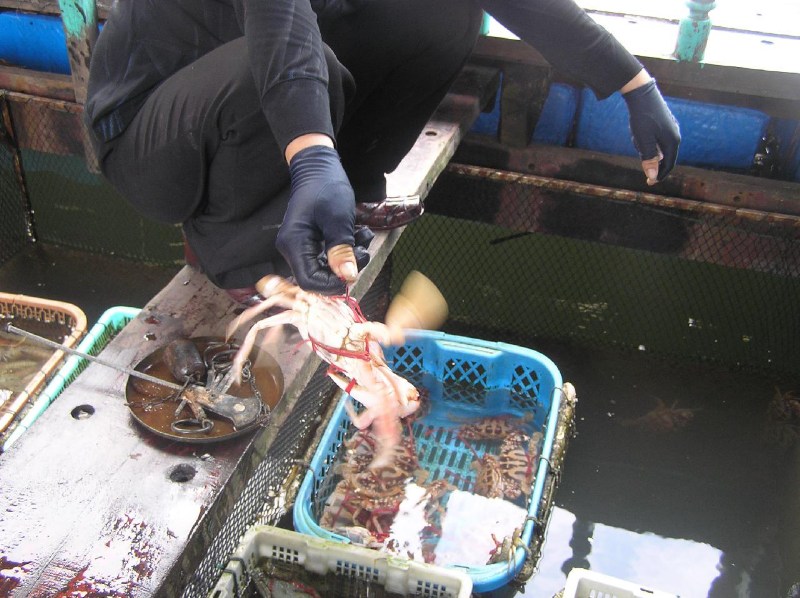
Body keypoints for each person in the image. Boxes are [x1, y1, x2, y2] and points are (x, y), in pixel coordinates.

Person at [84, 0, 680, 303]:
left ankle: (350, 185)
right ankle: (244, 262)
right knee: (295, 61)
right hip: (151, 141)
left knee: (444, 9)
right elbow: (282, 30)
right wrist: (311, 157)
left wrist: (632, 82)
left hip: (251, 93)